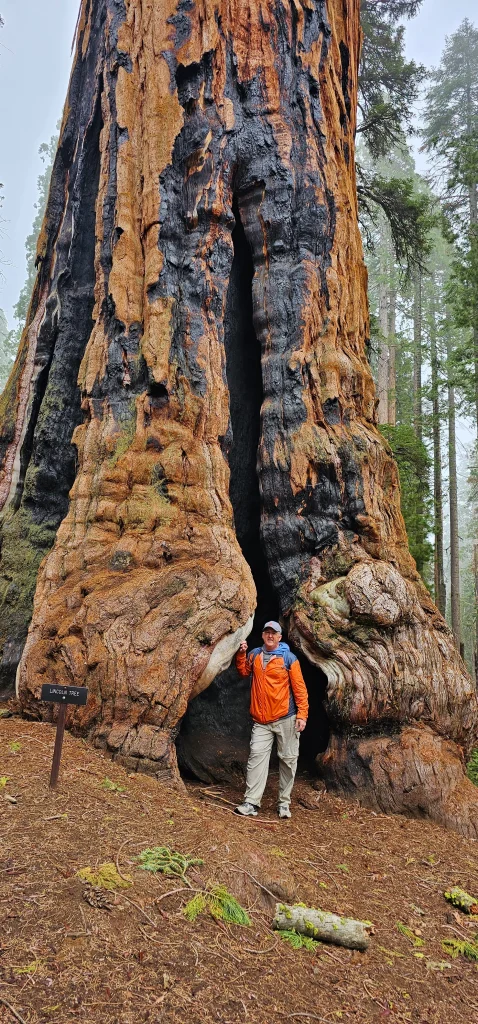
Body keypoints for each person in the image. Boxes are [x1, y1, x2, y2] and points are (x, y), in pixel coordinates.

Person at [234, 621, 308, 819]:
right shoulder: (255, 655)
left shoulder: (289, 659)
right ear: (263, 635)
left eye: (273, 633)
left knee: (288, 760)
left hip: (286, 718)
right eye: (267, 632)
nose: (270, 636)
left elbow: (300, 690)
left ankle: (284, 803)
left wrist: (302, 715)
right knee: (256, 757)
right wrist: (242, 654)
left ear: (279, 637)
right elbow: (243, 672)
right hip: (261, 720)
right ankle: (251, 802)